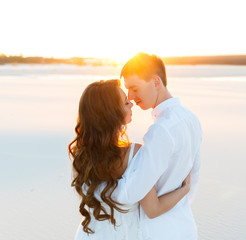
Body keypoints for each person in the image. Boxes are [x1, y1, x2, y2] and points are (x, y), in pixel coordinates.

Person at [68, 79, 191, 240]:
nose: (132, 105)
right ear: (112, 114)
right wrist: (185, 189)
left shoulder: (81, 154)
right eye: (126, 103)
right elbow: (153, 209)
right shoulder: (136, 153)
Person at [114, 52, 202, 240]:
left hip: (158, 231)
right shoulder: (191, 118)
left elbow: (131, 194)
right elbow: (193, 177)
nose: (130, 97)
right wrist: (183, 193)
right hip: (185, 225)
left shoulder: (160, 131)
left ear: (155, 82)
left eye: (134, 88)